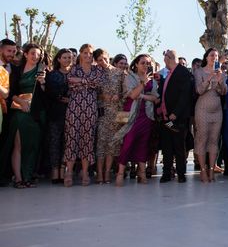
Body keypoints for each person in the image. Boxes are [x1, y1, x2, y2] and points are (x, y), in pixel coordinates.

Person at [0, 43, 47, 188]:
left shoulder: (43, 70)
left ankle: (28, 177)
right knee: (18, 145)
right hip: (20, 112)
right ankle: (18, 178)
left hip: (36, 114)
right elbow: (10, 92)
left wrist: (43, 83)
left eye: (38, 54)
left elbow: (48, 95)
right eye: (32, 53)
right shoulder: (16, 70)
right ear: (26, 54)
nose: (36, 56)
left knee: (32, 146)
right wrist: (20, 101)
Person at [114, 54, 159, 186]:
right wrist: (143, 84)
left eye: (148, 63)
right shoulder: (129, 77)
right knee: (127, 143)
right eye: (143, 63)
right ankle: (120, 173)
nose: (146, 65)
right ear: (136, 64)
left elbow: (156, 99)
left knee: (143, 144)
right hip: (129, 115)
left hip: (147, 116)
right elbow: (133, 95)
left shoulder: (153, 81)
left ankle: (142, 173)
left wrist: (143, 96)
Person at [64, 43, 105, 187]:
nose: (88, 55)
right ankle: (69, 172)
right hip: (74, 108)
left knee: (87, 140)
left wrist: (81, 81)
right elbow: (70, 84)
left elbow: (98, 83)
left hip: (90, 109)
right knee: (71, 138)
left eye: (90, 53)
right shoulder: (74, 69)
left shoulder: (97, 69)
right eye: (85, 53)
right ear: (80, 54)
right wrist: (87, 82)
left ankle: (85, 172)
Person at [158, 50, 192, 183]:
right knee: (166, 146)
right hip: (166, 118)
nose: (164, 61)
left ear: (170, 58)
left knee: (179, 146)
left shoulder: (183, 73)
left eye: (165, 58)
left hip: (177, 118)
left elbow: (185, 96)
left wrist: (175, 113)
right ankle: (166, 173)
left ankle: (181, 173)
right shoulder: (169, 74)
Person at [194, 48, 227, 182]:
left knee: (214, 139)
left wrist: (219, 80)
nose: (214, 57)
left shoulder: (222, 73)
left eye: (217, 55)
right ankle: (202, 170)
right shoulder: (199, 71)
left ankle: (212, 169)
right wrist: (209, 78)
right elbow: (199, 90)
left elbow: (224, 92)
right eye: (212, 55)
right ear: (206, 57)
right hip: (202, 108)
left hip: (217, 110)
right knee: (203, 138)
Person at [94, 49, 125, 184]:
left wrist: (119, 96)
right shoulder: (96, 73)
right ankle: (99, 173)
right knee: (101, 143)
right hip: (102, 113)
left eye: (105, 58)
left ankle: (107, 173)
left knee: (113, 145)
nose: (103, 62)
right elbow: (91, 93)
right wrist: (102, 96)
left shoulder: (120, 73)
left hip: (117, 113)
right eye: (100, 60)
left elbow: (127, 94)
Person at [44, 48, 72, 184]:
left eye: (69, 57)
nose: (67, 60)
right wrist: (61, 97)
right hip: (56, 112)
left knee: (68, 142)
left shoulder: (75, 73)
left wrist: (71, 99)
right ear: (59, 59)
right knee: (55, 141)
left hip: (73, 112)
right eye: (64, 57)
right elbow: (49, 92)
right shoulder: (52, 74)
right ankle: (55, 171)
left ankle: (63, 169)